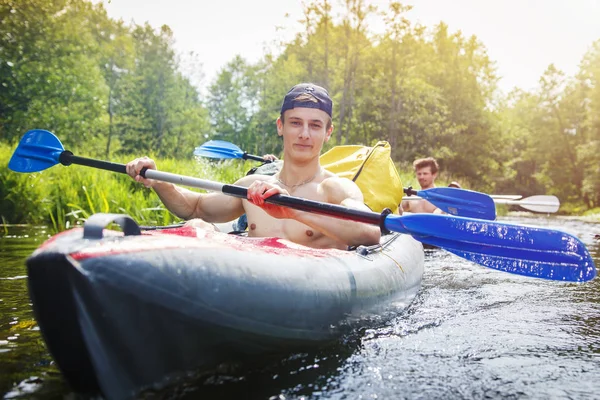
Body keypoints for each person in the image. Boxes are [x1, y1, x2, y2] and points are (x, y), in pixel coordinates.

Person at [126, 83, 381, 249]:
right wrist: (158, 180)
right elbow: (195, 208)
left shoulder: (335, 189)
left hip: (312, 295)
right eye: (295, 123)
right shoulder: (252, 188)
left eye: (315, 125)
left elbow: (369, 233)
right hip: (254, 287)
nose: (304, 134)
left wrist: (292, 211)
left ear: (328, 133)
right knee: (198, 227)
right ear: (280, 126)